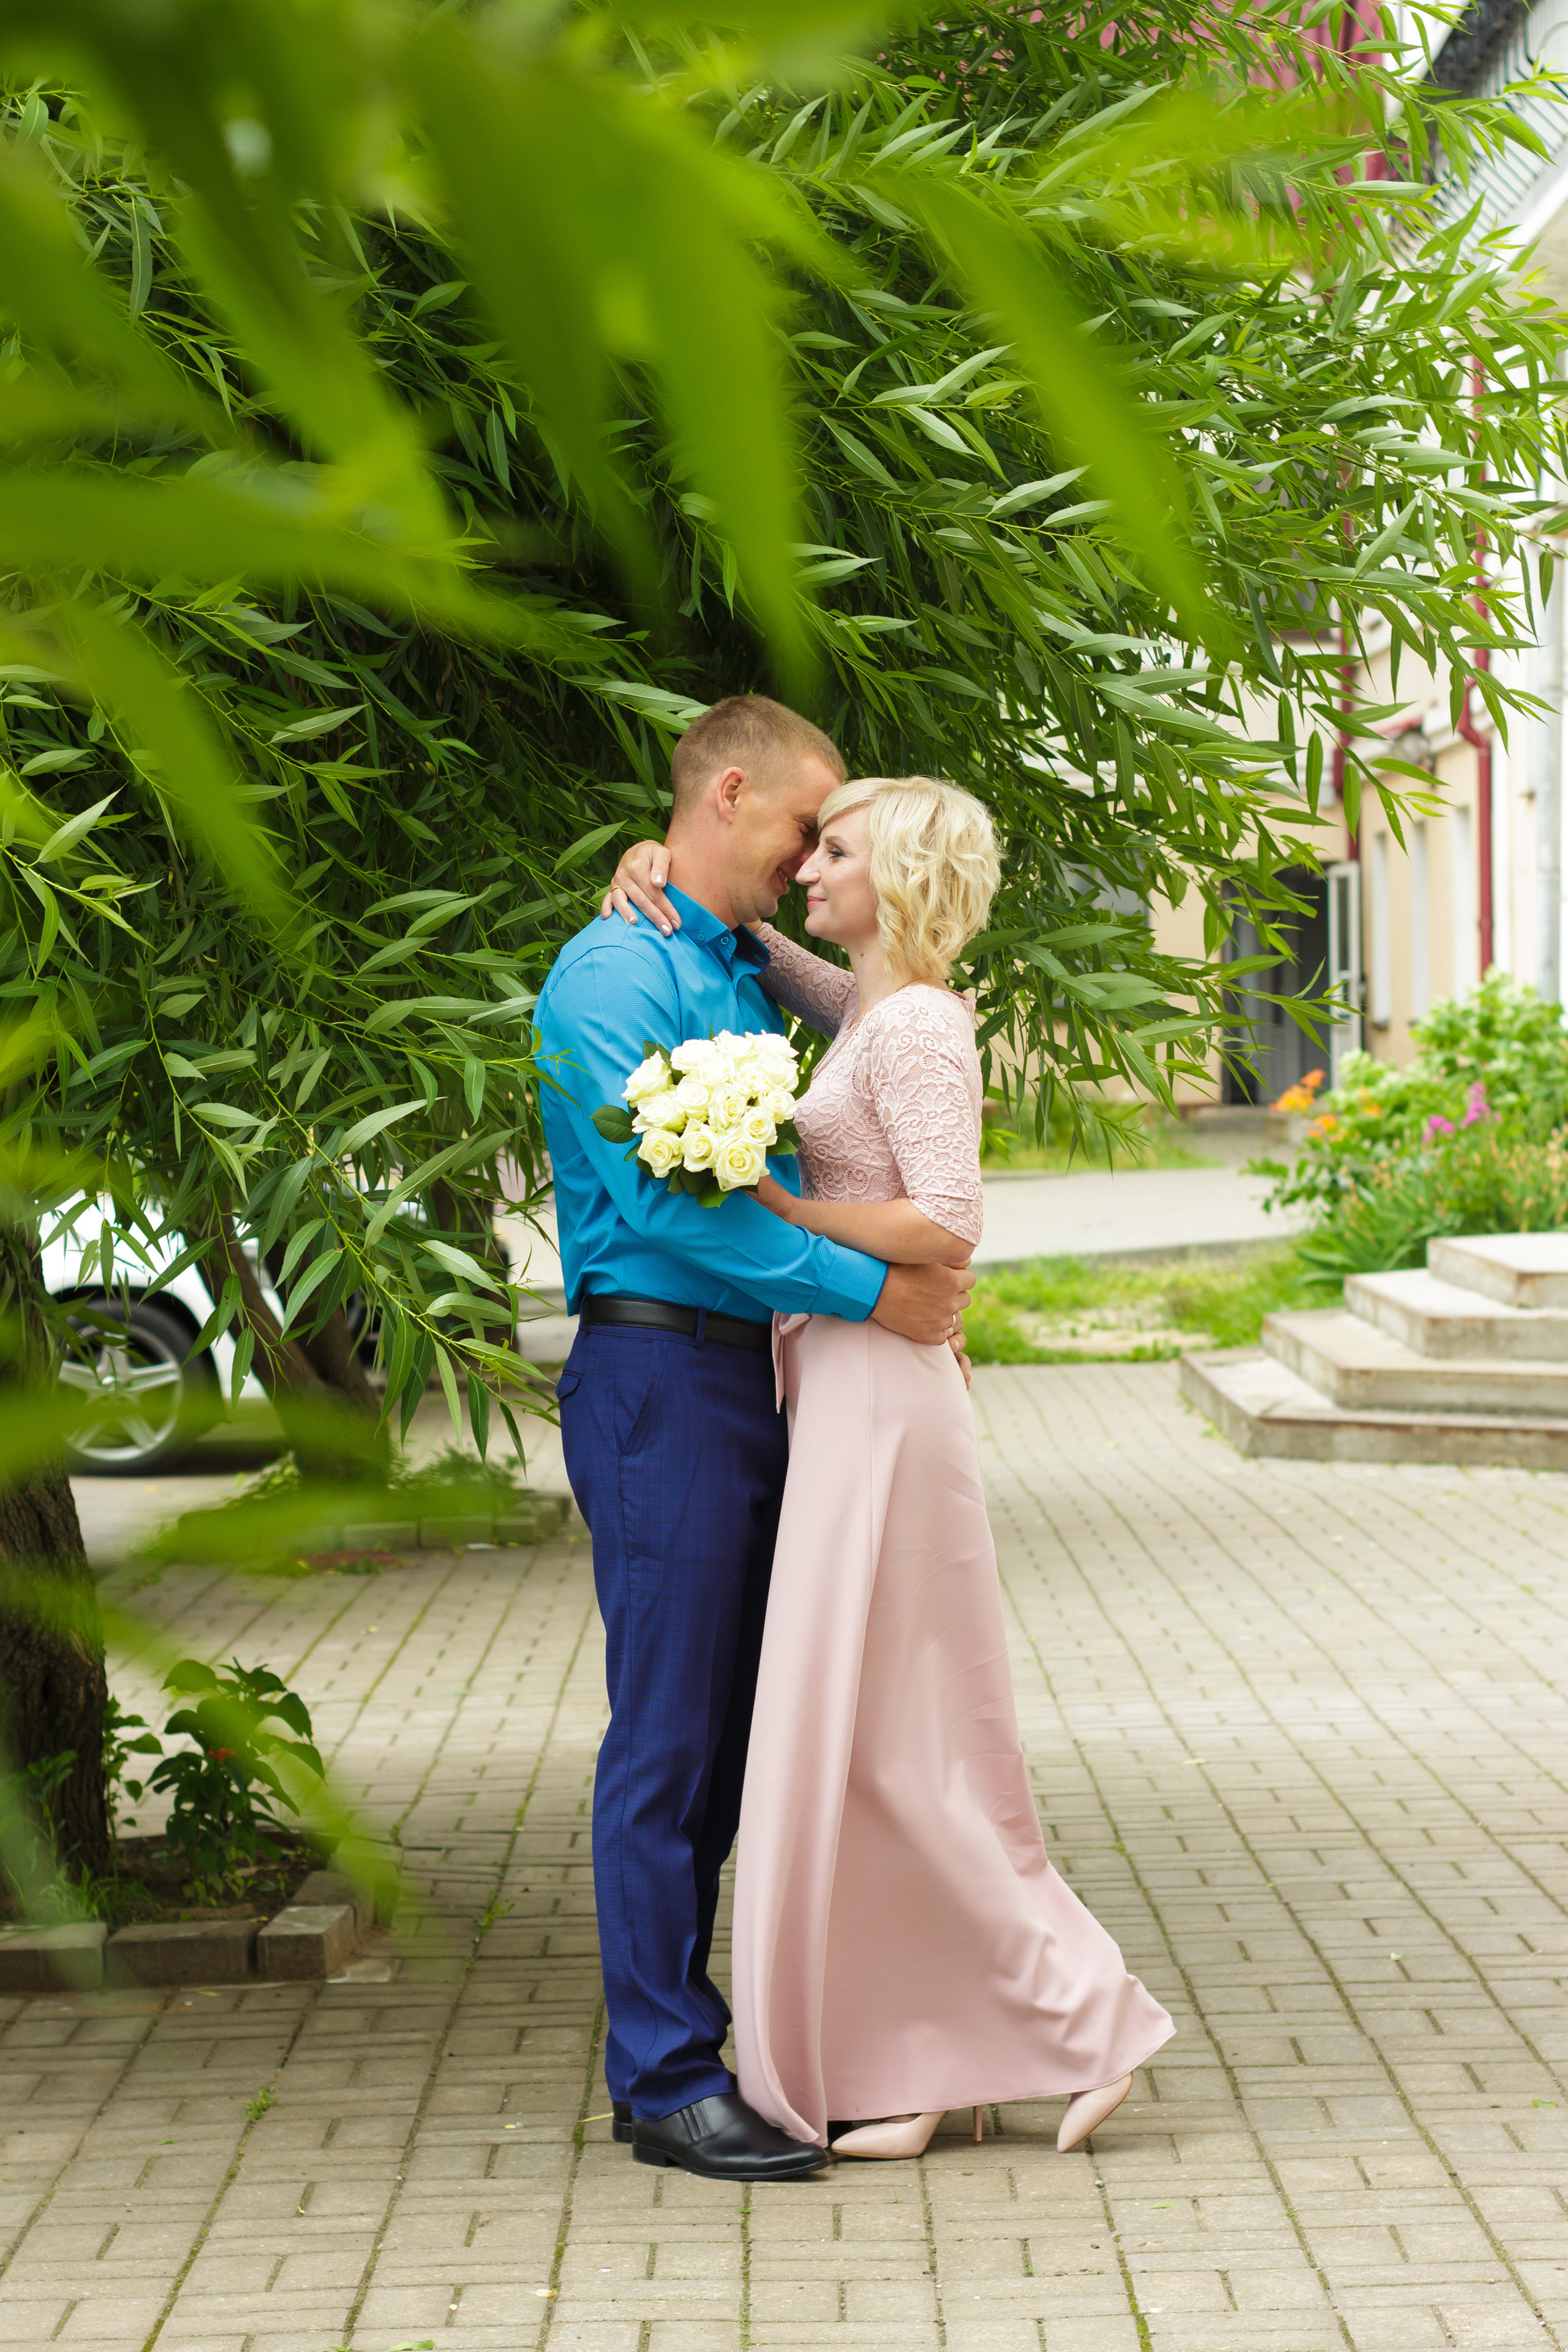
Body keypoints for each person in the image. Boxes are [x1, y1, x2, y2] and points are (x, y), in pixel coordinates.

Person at [605, 775, 1174, 2160]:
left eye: (837, 851)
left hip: (881, 1401)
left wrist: (782, 1203)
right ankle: (917, 2061)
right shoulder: (866, 999)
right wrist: (655, 864)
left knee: (909, 1744)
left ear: (898, 877)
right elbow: (746, 939)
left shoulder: (916, 1024)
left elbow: (949, 1221)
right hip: (843, 1388)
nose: (807, 866)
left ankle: (1084, 2019)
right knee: (866, 1743)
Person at [537, 699, 973, 2185]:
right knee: (665, 1740)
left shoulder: (725, 962)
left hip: (759, 1385)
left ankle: (733, 2045)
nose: (807, 861)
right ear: (731, 795)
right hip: (659, 1383)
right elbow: (671, 1215)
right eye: (803, 826)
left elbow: (894, 1015)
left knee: (736, 1740)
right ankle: (663, 2081)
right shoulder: (610, 975)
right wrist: (876, 1290)